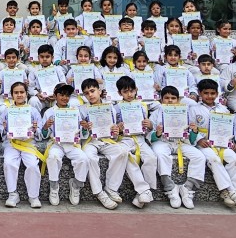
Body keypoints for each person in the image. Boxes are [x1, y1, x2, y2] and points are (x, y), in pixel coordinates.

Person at [79, 78, 152, 209]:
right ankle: (99, 193)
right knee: (90, 158)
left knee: (122, 152)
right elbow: (79, 133)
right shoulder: (81, 110)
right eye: (86, 93)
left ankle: (111, 188)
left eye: (92, 91)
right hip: (90, 142)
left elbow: (114, 133)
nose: (90, 95)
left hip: (107, 140)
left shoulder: (111, 108)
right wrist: (84, 128)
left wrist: (116, 131)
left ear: (99, 91)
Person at [189, 79, 236, 208]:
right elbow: (190, 127)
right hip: (204, 144)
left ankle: (230, 191)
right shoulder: (193, 109)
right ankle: (230, 190)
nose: (209, 96)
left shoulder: (224, 109)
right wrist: (199, 139)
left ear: (217, 93)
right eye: (206, 93)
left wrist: (231, 142)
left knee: (235, 160)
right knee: (214, 160)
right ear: (199, 93)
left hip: (221, 143)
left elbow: (229, 129)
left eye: (213, 93)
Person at [147, 86, 206, 209]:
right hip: (163, 142)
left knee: (199, 156)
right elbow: (150, 135)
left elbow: (191, 138)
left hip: (181, 142)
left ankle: (187, 188)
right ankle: (170, 188)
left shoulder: (185, 112)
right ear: (161, 99)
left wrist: (194, 131)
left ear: (178, 100)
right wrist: (157, 133)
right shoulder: (156, 113)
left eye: (173, 98)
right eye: (166, 98)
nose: (170, 100)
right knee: (160, 154)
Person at [0, 81, 44, 209]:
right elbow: (0, 125)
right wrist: (4, 128)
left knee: (32, 165)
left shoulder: (33, 111)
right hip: (12, 143)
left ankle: (33, 196)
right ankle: (13, 194)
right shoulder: (7, 111)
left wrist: (35, 129)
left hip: (28, 143)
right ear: (12, 95)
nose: (19, 95)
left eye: (22, 92)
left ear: (26, 94)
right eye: (16, 92)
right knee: (9, 163)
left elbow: (39, 129)